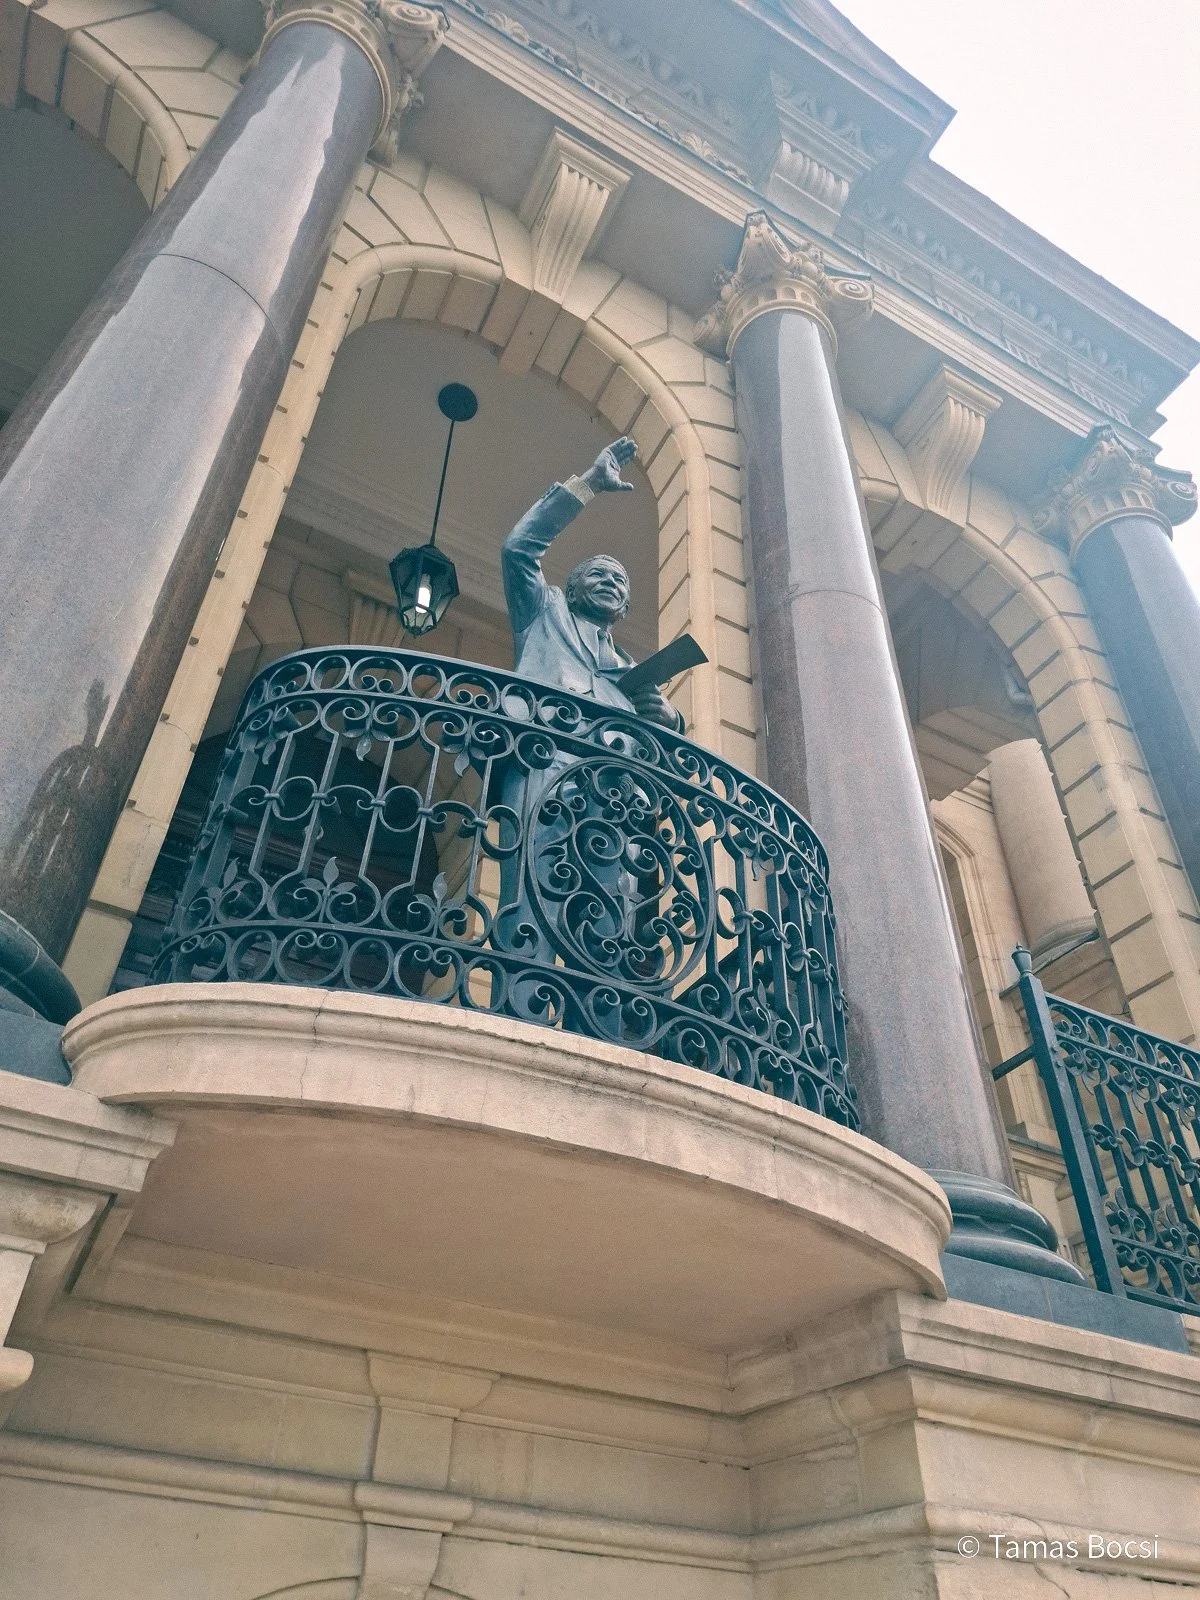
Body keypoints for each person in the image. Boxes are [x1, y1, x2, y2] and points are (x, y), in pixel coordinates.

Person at [501, 436, 682, 730]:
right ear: (571, 592)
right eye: (597, 574)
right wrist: (590, 483)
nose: (610, 581)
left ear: (625, 608)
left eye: (619, 580)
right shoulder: (545, 612)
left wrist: (671, 720)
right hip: (540, 759)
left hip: (611, 774)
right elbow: (518, 549)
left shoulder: (637, 676)